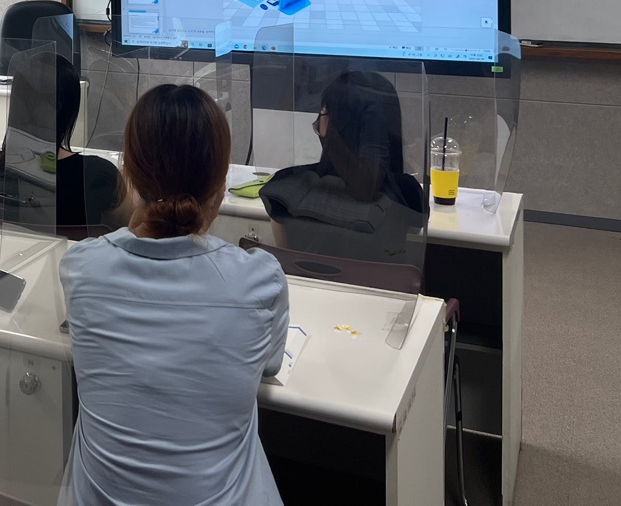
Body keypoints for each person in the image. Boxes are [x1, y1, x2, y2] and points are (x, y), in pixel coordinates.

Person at [60, 84, 288, 506]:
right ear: (220, 186)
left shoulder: (81, 267)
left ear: (129, 171)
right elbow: (269, 364)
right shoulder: (259, 279)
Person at [260, 70, 426, 262]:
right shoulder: (408, 195)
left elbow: (289, 262)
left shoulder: (286, 191)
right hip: (375, 291)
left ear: (327, 125)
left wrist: (331, 138)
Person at [0, 51, 121, 234]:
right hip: (66, 262)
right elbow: (126, 229)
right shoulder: (96, 175)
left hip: (8, 261)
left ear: (16, 105)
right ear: (70, 108)